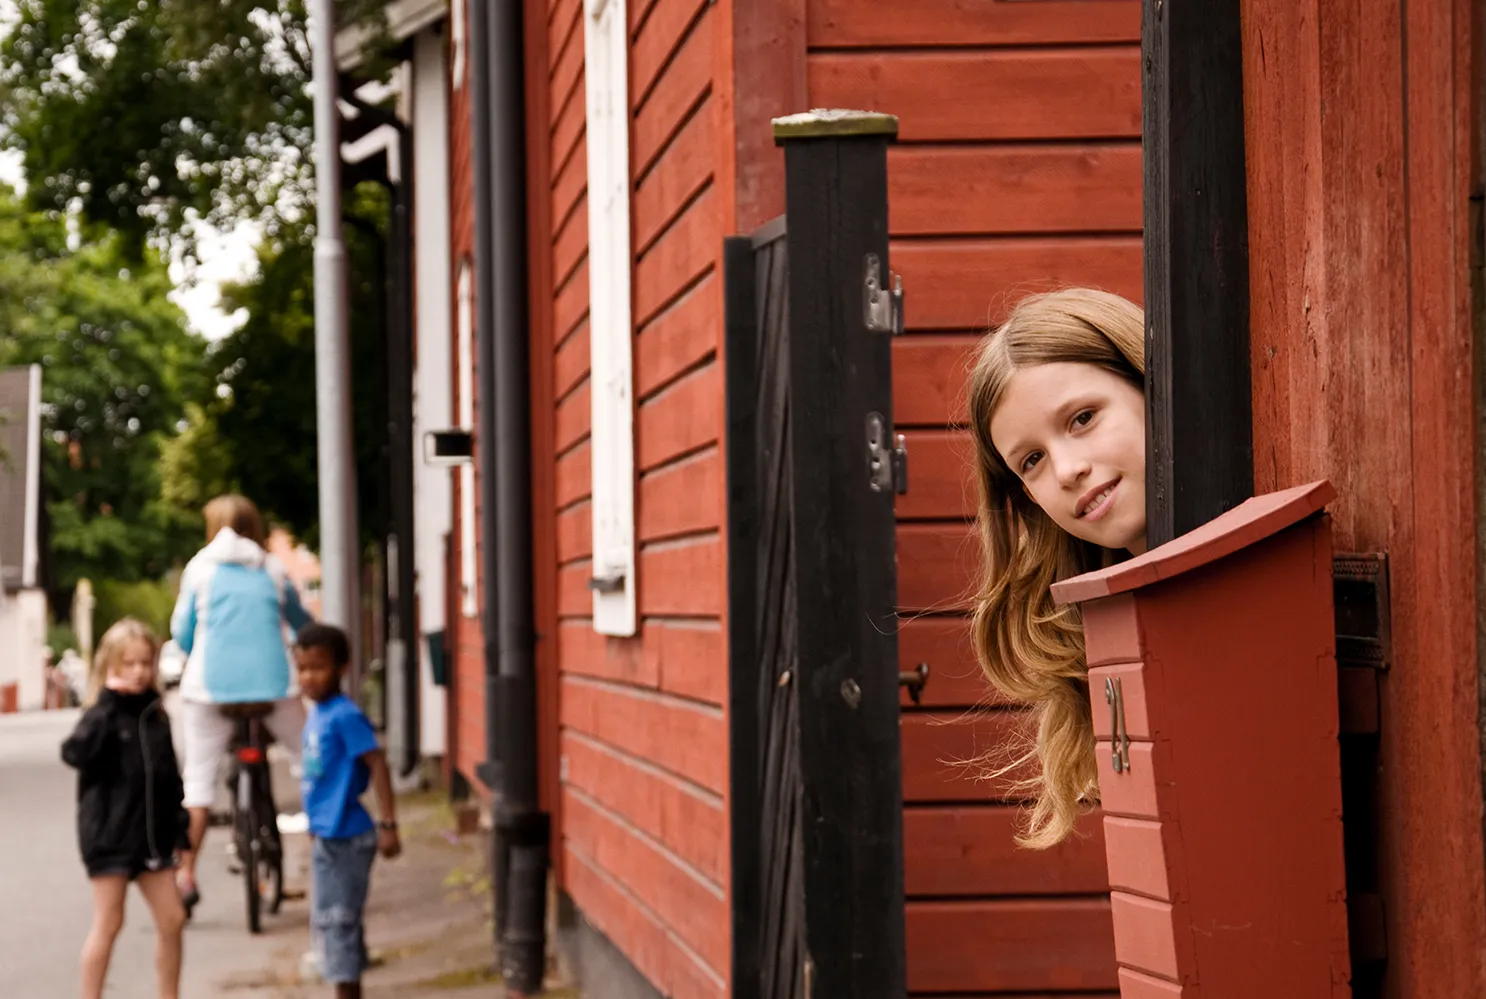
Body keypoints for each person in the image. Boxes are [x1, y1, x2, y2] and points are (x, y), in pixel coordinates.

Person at [966, 287, 1147, 848]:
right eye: (1032, 460)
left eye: (1083, 418)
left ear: (1149, 382)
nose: (1067, 470)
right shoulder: (1102, 645)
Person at [170, 494, 313, 913]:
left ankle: (184, 874)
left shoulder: (199, 568)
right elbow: (301, 622)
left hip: (208, 691)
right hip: (273, 684)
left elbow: (182, 633)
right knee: (309, 762)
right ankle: (326, 849)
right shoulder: (273, 568)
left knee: (198, 783)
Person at [61, 618, 189, 999]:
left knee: (173, 919)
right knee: (109, 921)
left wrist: (180, 832)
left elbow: (170, 779)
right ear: (111, 666)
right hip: (110, 837)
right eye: (128, 663)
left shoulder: (155, 716)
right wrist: (107, 702)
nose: (138, 672)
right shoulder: (100, 714)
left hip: (153, 839)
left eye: (144, 663)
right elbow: (74, 753)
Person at [294, 622, 401, 999]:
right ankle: (350, 976)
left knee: (338, 922)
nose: (308, 677)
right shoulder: (318, 714)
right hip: (327, 835)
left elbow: (377, 763)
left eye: (318, 667)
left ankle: (348, 990)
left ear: (341, 668)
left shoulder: (344, 715)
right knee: (333, 922)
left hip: (348, 837)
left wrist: (388, 823)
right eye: (302, 668)